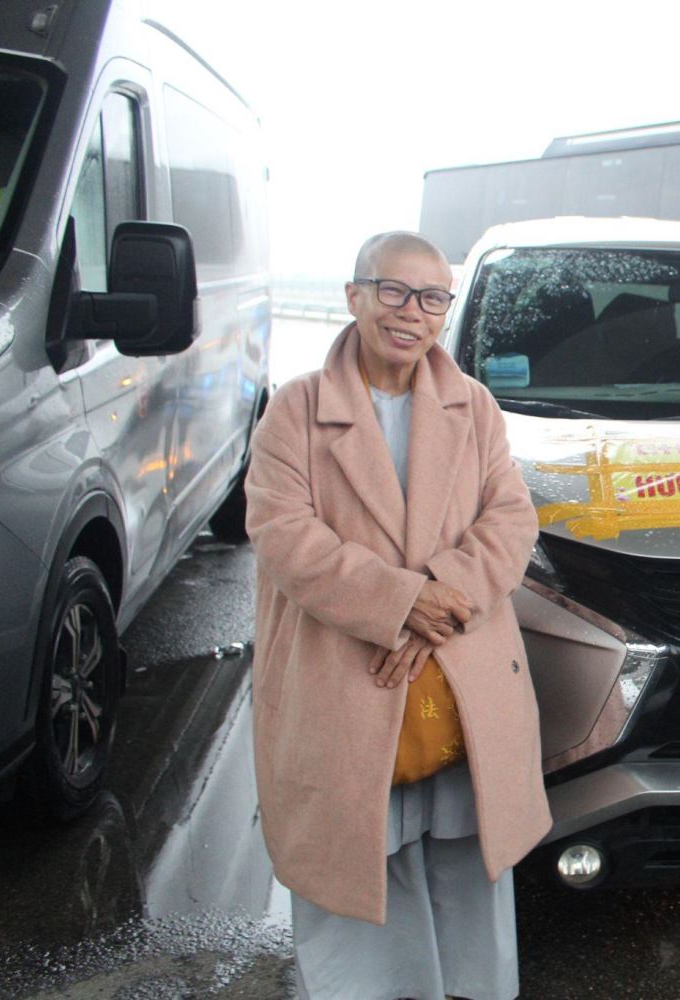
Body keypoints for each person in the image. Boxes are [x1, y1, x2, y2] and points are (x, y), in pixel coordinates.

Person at [245, 231, 548, 998]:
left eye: (432, 298)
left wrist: (437, 598)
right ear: (354, 296)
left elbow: (512, 520)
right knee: (353, 858)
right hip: (346, 676)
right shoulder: (296, 410)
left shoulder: (474, 407)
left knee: (465, 853)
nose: (412, 312)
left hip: (458, 674)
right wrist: (400, 601)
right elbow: (283, 533)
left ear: (446, 311)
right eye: (394, 291)